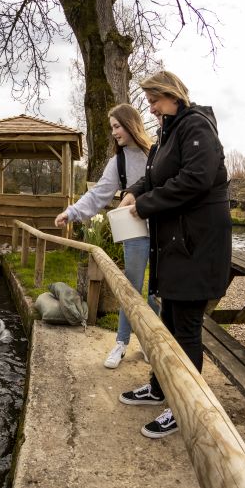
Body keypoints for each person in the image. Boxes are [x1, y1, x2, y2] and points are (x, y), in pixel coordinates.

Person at [117, 71, 231, 439]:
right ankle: (161, 387)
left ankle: (186, 406)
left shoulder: (196, 126)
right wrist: (135, 191)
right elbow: (155, 176)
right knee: (168, 322)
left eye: (154, 100)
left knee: (187, 329)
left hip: (197, 246)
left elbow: (196, 179)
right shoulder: (169, 131)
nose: (150, 108)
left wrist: (145, 205)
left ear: (172, 94)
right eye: (148, 102)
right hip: (175, 246)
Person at [55, 103, 158, 369]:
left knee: (157, 292)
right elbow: (99, 194)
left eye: (117, 126)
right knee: (130, 289)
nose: (113, 132)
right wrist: (72, 212)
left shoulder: (156, 152)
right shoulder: (118, 161)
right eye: (111, 128)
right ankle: (121, 343)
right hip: (134, 231)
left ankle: (150, 343)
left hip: (162, 230)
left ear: (130, 123)